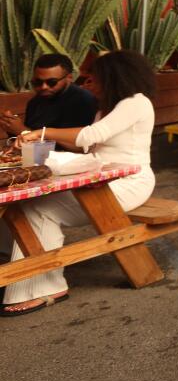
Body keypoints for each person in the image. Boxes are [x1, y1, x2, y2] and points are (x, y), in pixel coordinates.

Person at [4, 50, 157, 316]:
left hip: (130, 181)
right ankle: (24, 272)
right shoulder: (109, 107)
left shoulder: (136, 102)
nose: (89, 84)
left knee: (39, 208)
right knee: (29, 203)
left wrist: (37, 132)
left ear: (111, 78)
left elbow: (90, 135)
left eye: (93, 79)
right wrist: (38, 142)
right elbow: (88, 145)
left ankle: (45, 286)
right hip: (105, 175)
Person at [1, 53, 97, 138]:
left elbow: (74, 145)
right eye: (38, 82)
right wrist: (10, 125)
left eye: (52, 82)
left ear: (69, 78)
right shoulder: (36, 101)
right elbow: (28, 133)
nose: (44, 87)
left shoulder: (82, 101)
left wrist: (22, 131)